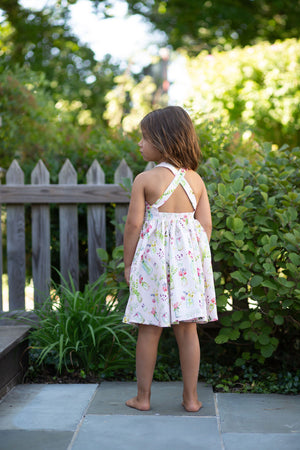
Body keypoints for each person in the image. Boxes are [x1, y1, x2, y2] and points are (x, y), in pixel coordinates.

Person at [123, 106, 218, 412]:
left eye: (144, 137)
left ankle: (143, 398)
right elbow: (205, 225)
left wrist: (129, 264)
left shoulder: (145, 180)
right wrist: (193, 258)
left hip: (152, 262)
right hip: (187, 263)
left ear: (162, 141)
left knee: (149, 328)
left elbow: (134, 225)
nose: (140, 143)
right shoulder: (197, 181)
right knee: (187, 328)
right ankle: (191, 399)